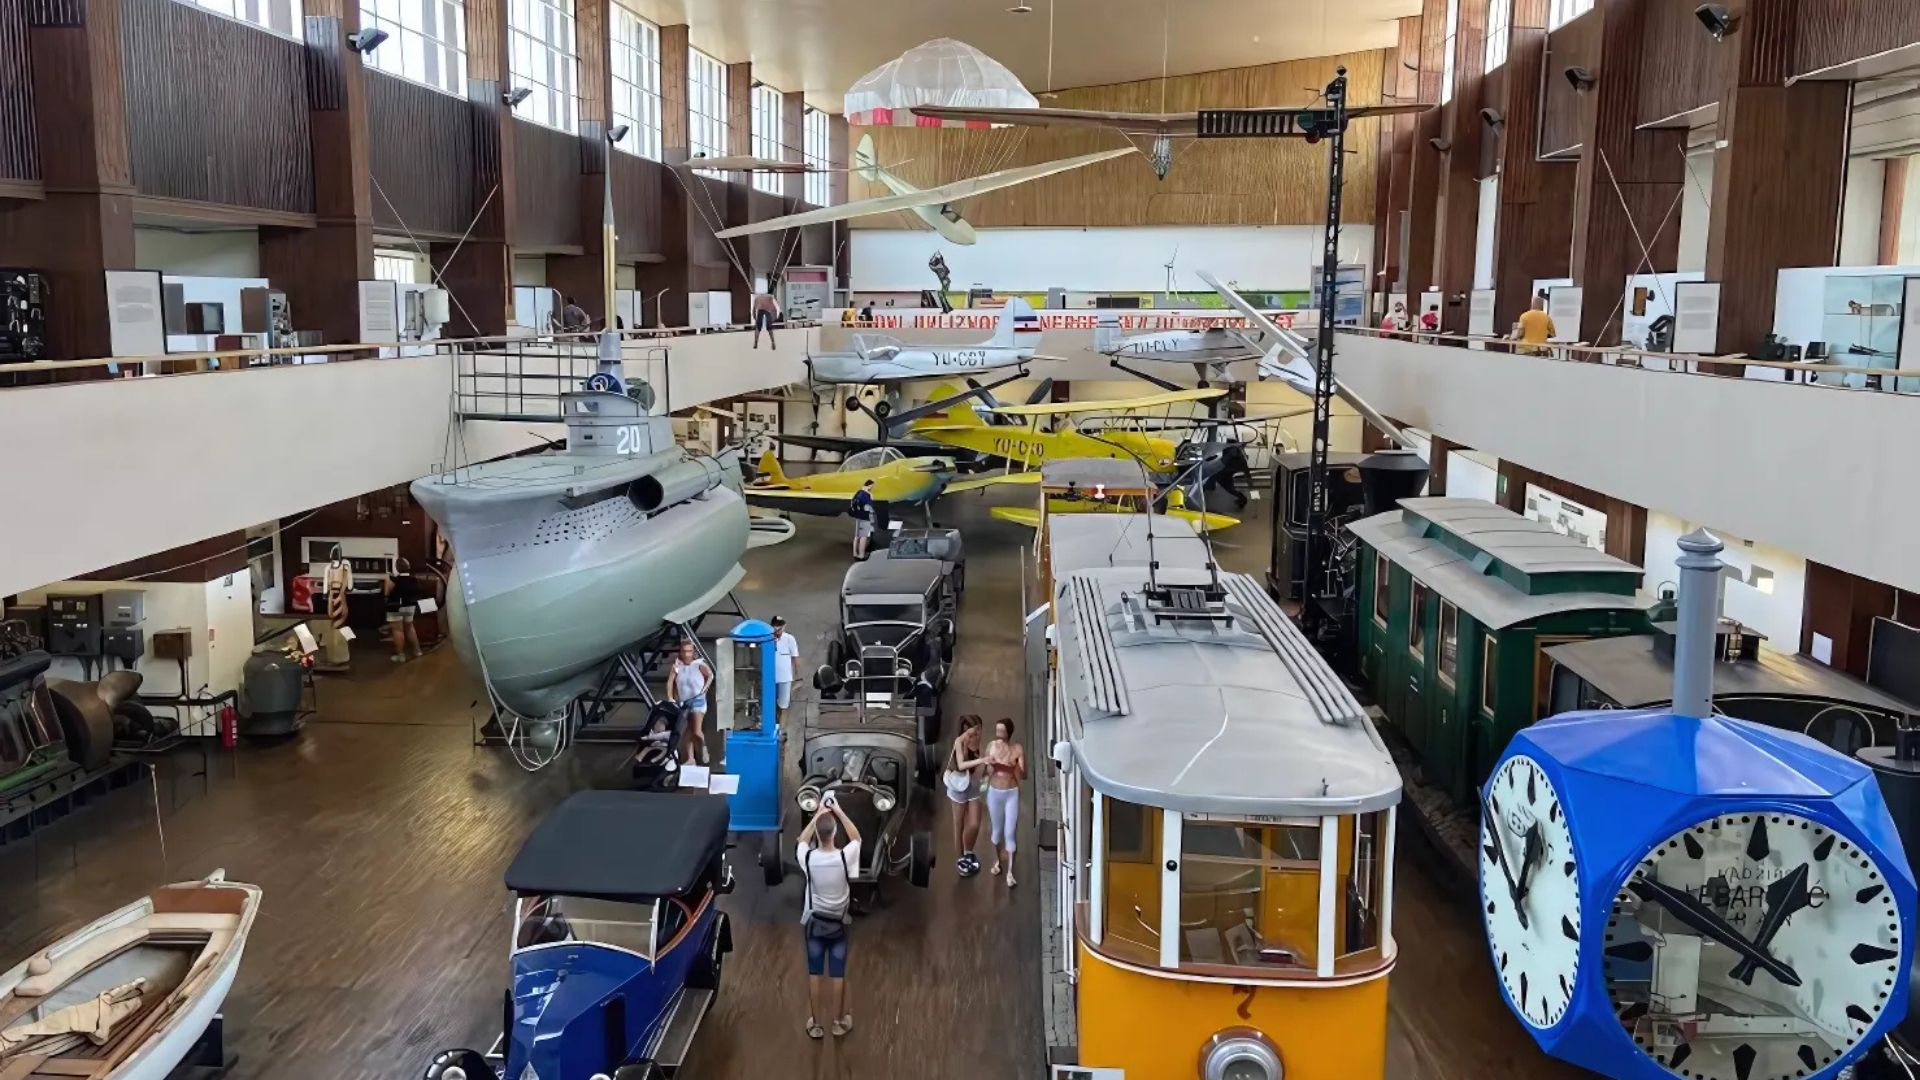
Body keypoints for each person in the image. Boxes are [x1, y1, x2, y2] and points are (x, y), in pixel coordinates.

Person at [798, 792, 862, 1039]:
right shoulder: (845, 857)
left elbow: (801, 841)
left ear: (818, 834)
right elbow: (856, 837)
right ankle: (838, 1022)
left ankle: (815, 1024)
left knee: (815, 972)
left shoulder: (809, 857)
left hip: (814, 924)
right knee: (838, 973)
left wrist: (818, 815)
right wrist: (838, 811)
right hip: (838, 925)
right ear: (834, 833)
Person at [984, 718, 1027, 888]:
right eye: (997, 730)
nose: (999, 734)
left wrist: (1014, 766)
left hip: (1011, 793)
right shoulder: (991, 746)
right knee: (996, 832)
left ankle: (1010, 872)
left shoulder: (1017, 749)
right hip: (994, 793)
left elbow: (1024, 775)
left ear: (1009, 732)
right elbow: (985, 771)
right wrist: (990, 765)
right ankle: (997, 861)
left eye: (1002, 731)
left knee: (1010, 833)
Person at [943, 715, 987, 876]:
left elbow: (983, 770)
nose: (976, 735)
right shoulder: (959, 743)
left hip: (973, 788)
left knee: (974, 823)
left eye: (979, 730)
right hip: (958, 788)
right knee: (959, 824)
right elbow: (961, 765)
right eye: (972, 732)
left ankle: (968, 851)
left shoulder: (980, 747)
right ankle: (960, 859)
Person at [666, 638, 713, 765]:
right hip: (683, 702)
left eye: (689, 651)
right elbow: (670, 682)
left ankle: (703, 748)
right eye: (684, 651)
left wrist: (704, 690)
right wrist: (670, 697)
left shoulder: (699, 664)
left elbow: (710, 675)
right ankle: (690, 758)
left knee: (696, 730)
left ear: (693, 652)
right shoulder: (677, 666)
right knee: (687, 731)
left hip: (697, 700)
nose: (687, 654)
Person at [381, 558, 423, 663]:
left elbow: (386, 593)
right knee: (410, 628)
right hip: (410, 607)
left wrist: (387, 579)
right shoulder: (414, 580)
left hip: (396, 607)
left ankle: (400, 655)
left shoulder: (393, 580)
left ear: (397, 568)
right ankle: (417, 651)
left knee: (398, 630)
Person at [770, 616, 801, 725]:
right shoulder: (767, 638)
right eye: (776, 628)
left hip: (785, 678)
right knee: (770, 704)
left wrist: (796, 676)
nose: (778, 630)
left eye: (780, 628)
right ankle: (771, 725)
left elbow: (795, 658)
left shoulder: (789, 639)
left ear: (784, 627)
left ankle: (781, 728)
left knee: (784, 705)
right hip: (770, 678)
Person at [849, 478, 876, 560]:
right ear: (870, 485)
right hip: (865, 517)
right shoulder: (867, 494)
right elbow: (868, 507)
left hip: (858, 516)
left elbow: (852, 503)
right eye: (872, 486)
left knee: (857, 536)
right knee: (863, 537)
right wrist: (872, 512)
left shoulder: (858, 492)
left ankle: (855, 554)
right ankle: (861, 555)